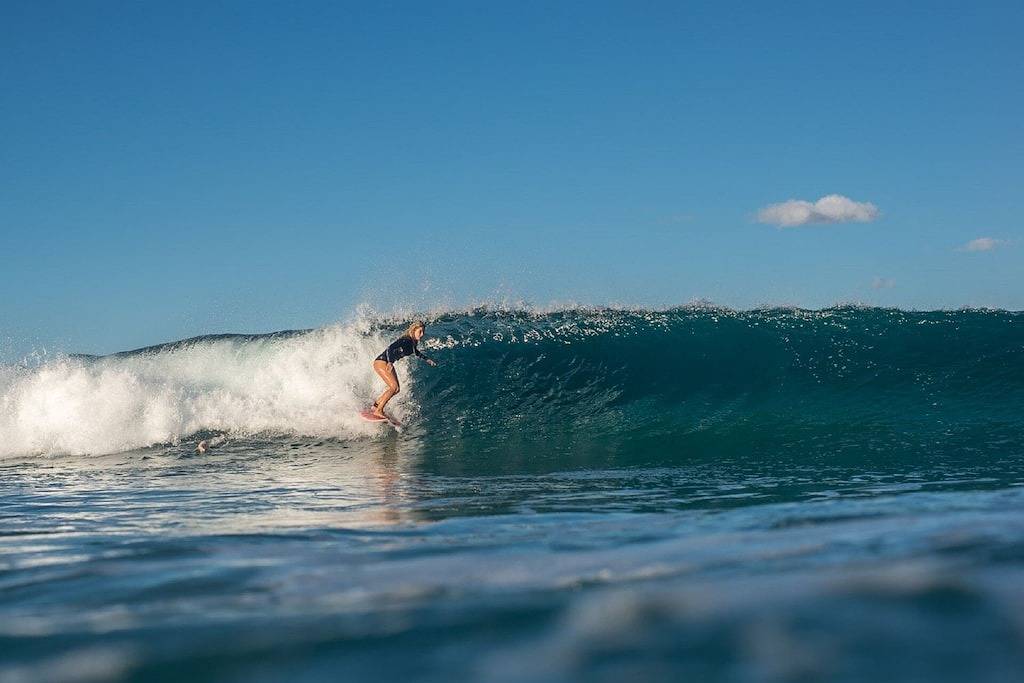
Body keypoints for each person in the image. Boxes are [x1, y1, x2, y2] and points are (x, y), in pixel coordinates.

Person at [371, 321, 436, 419]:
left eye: (423, 332)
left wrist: (427, 359)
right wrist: (390, 362)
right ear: (413, 331)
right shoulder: (406, 340)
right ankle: (378, 410)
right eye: (420, 332)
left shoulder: (413, 343)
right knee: (394, 387)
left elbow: (416, 352)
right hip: (382, 362)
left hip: (385, 362)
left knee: (396, 389)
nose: (422, 335)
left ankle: (376, 405)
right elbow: (390, 348)